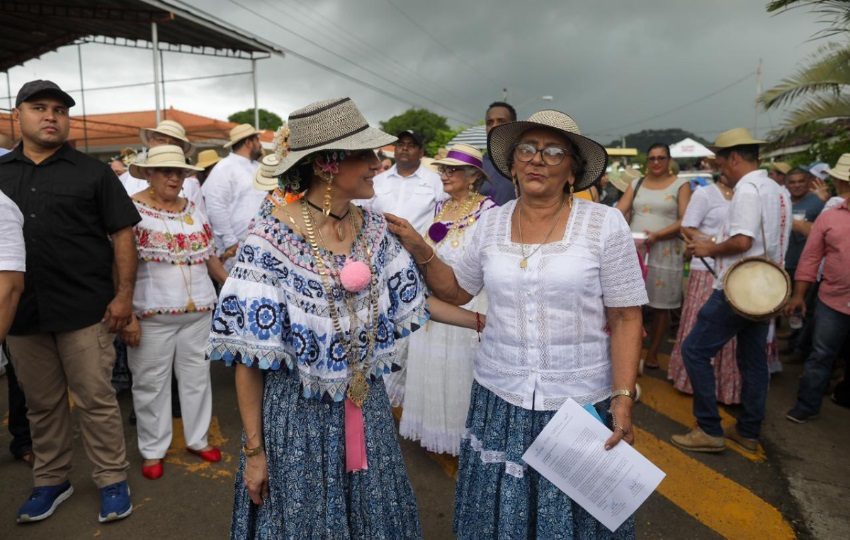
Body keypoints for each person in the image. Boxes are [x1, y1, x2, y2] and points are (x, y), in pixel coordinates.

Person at [207, 97, 478, 538]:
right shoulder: (269, 238)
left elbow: (412, 301)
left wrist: (483, 323)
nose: (378, 163)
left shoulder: (373, 228)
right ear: (327, 165)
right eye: (366, 155)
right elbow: (249, 360)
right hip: (297, 422)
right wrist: (254, 452)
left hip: (366, 408)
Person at [387, 109, 646, 538]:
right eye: (526, 149)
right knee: (498, 517)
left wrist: (622, 397)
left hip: (576, 401)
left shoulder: (603, 224)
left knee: (571, 517)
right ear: (511, 166)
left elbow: (625, 316)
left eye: (552, 151)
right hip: (499, 399)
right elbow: (456, 291)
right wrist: (421, 248)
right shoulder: (491, 224)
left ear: (572, 171)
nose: (536, 159)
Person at [0, 79, 137, 523]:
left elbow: (122, 235)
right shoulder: (0, 176)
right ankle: (51, 480)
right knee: (40, 403)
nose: (50, 116)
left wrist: (123, 297)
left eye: (59, 109)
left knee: (96, 399)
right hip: (22, 313)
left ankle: (112, 481)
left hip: (85, 308)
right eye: (39, 107)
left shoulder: (92, 172)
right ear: (17, 115)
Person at [673, 128, 791, 454]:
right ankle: (748, 430)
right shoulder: (777, 190)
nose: (720, 168)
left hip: (738, 288)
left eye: (721, 161)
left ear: (735, 158)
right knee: (753, 361)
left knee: (694, 350)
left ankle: (709, 429)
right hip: (768, 290)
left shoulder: (747, 190)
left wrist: (708, 248)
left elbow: (742, 241)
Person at [118, 145, 228, 480]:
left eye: (179, 171)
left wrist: (233, 286)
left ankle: (197, 438)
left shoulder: (193, 208)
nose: (173, 177)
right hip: (151, 314)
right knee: (151, 383)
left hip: (198, 313)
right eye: (165, 170)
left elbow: (209, 255)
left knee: (196, 379)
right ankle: (153, 449)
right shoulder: (132, 209)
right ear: (148, 173)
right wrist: (128, 314)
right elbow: (121, 263)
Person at [398, 144, 497, 456]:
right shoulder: (441, 208)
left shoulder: (489, 212)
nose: (444, 174)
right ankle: (437, 436)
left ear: (472, 177)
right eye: (442, 169)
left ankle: (461, 442)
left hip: (468, 304)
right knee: (433, 369)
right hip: (435, 305)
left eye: (451, 169)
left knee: (459, 375)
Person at [784, 154, 850, 422]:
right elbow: (810, 258)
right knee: (821, 355)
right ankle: (807, 405)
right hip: (832, 301)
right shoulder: (830, 216)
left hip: (832, 299)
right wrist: (799, 295)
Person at [617, 143, 691, 369]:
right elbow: (619, 211)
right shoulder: (636, 183)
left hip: (666, 251)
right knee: (632, 303)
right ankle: (632, 349)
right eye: (652, 159)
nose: (656, 162)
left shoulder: (681, 185)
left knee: (662, 306)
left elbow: (685, 220)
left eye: (661, 158)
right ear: (647, 162)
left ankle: (654, 351)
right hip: (635, 250)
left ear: (668, 160)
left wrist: (659, 235)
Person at [668, 175, 739, 404]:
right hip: (706, 267)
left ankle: (724, 387)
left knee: (728, 331)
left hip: (734, 269)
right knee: (704, 326)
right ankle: (693, 382)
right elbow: (687, 228)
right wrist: (713, 242)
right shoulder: (705, 194)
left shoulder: (746, 193)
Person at [201, 123, 264, 270]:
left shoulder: (258, 167)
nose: (260, 145)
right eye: (257, 140)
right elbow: (215, 207)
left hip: (261, 244)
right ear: (249, 142)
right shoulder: (224, 168)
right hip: (236, 249)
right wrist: (231, 242)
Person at [359, 129, 445, 234]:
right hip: (377, 246)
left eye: (411, 145)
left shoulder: (436, 181)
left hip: (416, 249)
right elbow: (361, 210)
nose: (404, 148)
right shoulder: (377, 181)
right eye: (400, 144)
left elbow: (444, 214)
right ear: (395, 149)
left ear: (421, 152)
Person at [119, 120, 203, 207]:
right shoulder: (126, 179)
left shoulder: (191, 184)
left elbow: (200, 217)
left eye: (174, 143)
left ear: (181, 150)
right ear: (150, 142)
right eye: (161, 140)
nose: (166, 145)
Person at [784, 168, 825, 278]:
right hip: (783, 263)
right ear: (786, 184)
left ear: (808, 182)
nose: (797, 185)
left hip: (807, 266)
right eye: (792, 182)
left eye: (801, 181)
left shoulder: (819, 201)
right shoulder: (781, 202)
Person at [479, 101, 518, 205]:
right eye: (490, 122)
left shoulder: (526, 162)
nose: (494, 126)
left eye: (501, 121)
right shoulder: (477, 165)